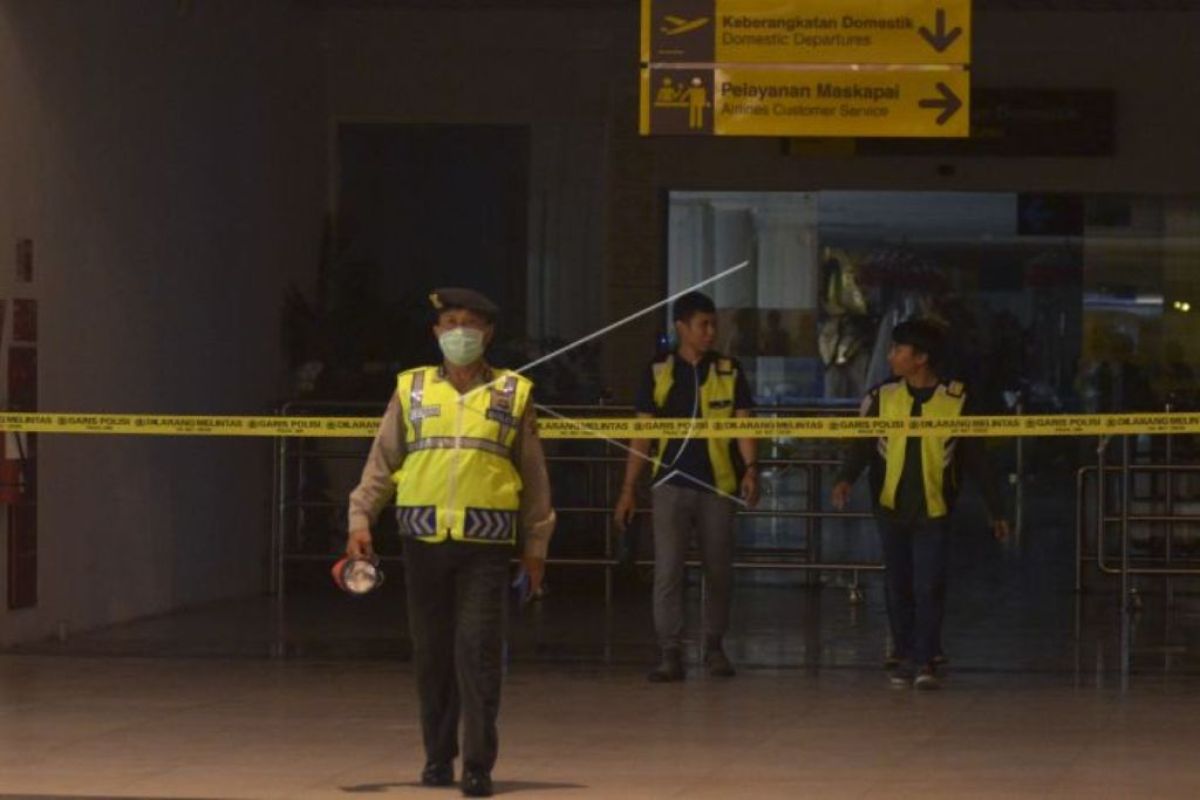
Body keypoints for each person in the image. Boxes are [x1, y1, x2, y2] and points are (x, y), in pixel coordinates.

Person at [346, 288, 555, 797]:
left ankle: (478, 765)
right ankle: (438, 758)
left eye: (471, 323)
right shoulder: (412, 390)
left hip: (486, 546)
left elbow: (535, 479)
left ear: (489, 334)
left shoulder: (512, 393)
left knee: (477, 652)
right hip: (422, 542)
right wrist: (359, 520)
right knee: (433, 654)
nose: (460, 331)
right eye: (450, 322)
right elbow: (383, 462)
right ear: (436, 332)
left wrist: (536, 548)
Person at [830, 318, 1009, 690]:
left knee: (929, 584)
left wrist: (996, 509)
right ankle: (906, 652)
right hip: (890, 506)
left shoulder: (956, 401)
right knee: (897, 584)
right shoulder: (884, 397)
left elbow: (977, 458)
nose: (891, 356)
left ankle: (925, 658)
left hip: (934, 507)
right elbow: (863, 444)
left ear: (921, 359)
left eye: (899, 350)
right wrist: (845, 478)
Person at [613, 291, 759, 682]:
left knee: (719, 569)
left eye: (714, 325)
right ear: (681, 328)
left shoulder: (730, 370)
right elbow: (642, 435)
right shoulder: (658, 371)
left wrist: (751, 469)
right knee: (668, 570)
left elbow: (742, 423)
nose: (711, 332)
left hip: (719, 485)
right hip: (670, 484)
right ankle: (670, 651)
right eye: (703, 325)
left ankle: (714, 646)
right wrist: (629, 487)